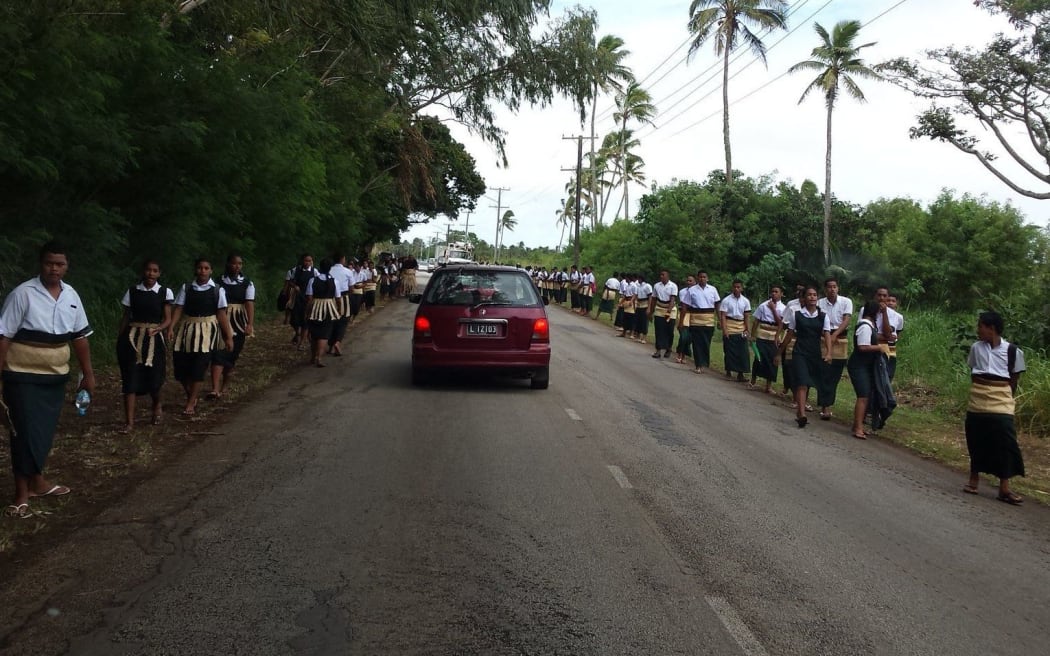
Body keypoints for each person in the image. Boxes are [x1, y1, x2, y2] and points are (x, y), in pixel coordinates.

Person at [1, 242, 95, 518]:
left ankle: (38, 482)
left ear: (67, 266)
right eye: (48, 263)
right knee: (23, 432)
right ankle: (21, 493)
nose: (54, 268)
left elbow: (79, 336)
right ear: (40, 265)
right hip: (21, 375)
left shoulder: (71, 295)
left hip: (55, 376)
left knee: (43, 431)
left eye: (59, 264)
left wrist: (87, 374)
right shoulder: (23, 294)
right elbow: (4, 336)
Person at [963, 311, 1026, 505]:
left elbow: (1013, 381)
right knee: (976, 437)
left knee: (1005, 441)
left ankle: (1004, 487)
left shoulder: (1013, 351)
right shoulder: (976, 348)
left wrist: (1002, 395)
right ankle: (974, 480)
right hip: (978, 400)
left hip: (1002, 401)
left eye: (980, 326)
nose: (978, 330)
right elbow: (974, 373)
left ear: (991, 328)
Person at [169, 258, 234, 416]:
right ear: (195, 269)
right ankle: (191, 393)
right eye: (200, 268)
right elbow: (179, 308)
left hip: (207, 332)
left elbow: (221, 314)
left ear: (211, 270)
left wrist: (228, 336)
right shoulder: (187, 288)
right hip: (187, 329)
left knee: (200, 365)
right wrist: (171, 327)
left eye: (206, 268)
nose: (202, 271)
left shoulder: (217, 290)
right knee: (181, 367)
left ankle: (191, 401)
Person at [116, 258, 173, 431]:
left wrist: (159, 329)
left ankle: (157, 406)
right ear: (143, 271)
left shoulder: (164, 292)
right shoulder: (133, 291)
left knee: (154, 378)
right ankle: (129, 422)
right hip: (133, 338)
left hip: (153, 339)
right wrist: (120, 338)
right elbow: (126, 316)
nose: (151, 273)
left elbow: (167, 318)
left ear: (159, 273)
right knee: (130, 377)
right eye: (148, 270)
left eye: (155, 271)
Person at [781, 286, 831, 428]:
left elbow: (826, 334)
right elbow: (789, 335)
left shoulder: (823, 316)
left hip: (814, 354)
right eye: (809, 295)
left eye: (815, 295)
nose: (812, 297)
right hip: (800, 352)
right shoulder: (796, 315)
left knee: (810, 383)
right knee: (802, 382)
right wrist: (780, 352)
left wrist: (828, 352)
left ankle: (801, 410)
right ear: (804, 298)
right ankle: (802, 413)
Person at [209, 253, 255, 398]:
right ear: (228, 264)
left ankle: (224, 386)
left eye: (240, 264)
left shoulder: (247, 283)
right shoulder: (217, 282)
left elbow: (249, 303)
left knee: (232, 354)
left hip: (238, 321)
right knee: (218, 353)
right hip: (220, 318)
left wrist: (249, 324)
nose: (237, 266)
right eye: (234, 263)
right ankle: (215, 388)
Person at [847, 301, 887, 440]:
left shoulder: (869, 326)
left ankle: (857, 425)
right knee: (863, 396)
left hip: (864, 365)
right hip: (859, 365)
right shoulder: (865, 326)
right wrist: (879, 348)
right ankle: (858, 427)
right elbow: (863, 347)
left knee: (865, 395)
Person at [817, 278, 853, 421]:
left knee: (835, 375)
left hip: (840, 339)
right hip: (823, 338)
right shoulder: (820, 303)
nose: (832, 289)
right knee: (824, 373)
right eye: (829, 287)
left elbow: (846, 320)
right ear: (825, 289)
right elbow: (818, 320)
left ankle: (829, 403)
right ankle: (825, 406)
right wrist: (827, 336)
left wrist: (835, 334)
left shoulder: (846, 302)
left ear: (838, 288)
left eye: (835, 286)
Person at [305, 258, 342, 367]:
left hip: (315, 307)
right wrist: (339, 310)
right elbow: (338, 298)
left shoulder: (313, 280)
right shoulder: (334, 281)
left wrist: (307, 312)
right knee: (324, 334)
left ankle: (312, 356)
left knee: (314, 334)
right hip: (329, 307)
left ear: (320, 267)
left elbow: (309, 298)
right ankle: (319, 357)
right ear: (330, 268)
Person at [748, 285, 785, 394]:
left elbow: (781, 323)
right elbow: (756, 321)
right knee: (759, 358)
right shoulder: (763, 305)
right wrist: (753, 335)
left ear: (781, 294)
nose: (774, 293)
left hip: (775, 335)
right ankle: (753, 381)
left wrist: (773, 309)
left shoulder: (783, 308)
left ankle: (768, 386)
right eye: (772, 291)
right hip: (763, 333)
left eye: (776, 291)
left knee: (772, 360)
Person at [684, 271, 720, 374]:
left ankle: (704, 363)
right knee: (697, 343)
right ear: (697, 278)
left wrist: (719, 320)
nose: (702, 279)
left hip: (708, 320)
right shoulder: (692, 290)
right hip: (696, 320)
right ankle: (698, 365)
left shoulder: (713, 289)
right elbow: (685, 306)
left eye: (704, 277)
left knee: (706, 343)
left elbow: (717, 305)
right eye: (700, 277)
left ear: (707, 278)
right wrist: (682, 321)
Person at [719, 279, 752, 382]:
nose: (736, 289)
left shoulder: (745, 301)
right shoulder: (726, 300)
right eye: (735, 287)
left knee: (742, 351)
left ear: (742, 288)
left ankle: (740, 374)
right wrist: (725, 330)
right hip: (730, 325)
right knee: (729, 351)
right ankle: (728, 372)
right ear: (732, 288)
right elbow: (723, 316)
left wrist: (747, 329)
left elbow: (747, 317)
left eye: (738, 287)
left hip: (741, 326)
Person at [284, 254, 315, 349]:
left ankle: (301, 343)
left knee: (306, 321)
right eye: (306, 261)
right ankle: (297, 333)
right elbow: (290, 281)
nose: (307, 263)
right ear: (302, 261)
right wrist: (294, 286)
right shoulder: (296, 270)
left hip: (308, 298)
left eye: (309, 261)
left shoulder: (315, 271)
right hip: (297, 298)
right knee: (294, 319)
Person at [875, 287, 905, 382]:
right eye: (889, 300)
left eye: (893, 301)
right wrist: (885, 337)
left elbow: (898, 332)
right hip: (875, 345)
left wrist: (891, 338)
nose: (890, 303)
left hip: (890, 348)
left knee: (888, 375)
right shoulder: (870, 310)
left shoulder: (898, 317)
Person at [649, 270, 678, 359]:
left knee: (669, 330)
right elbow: (654, 299)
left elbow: (673, 299)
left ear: (667, 276)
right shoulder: (657, 285)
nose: (661, 276)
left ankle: (668, 348)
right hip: (659, 308)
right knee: (659, 329)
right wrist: (651, 311)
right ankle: (658, 350)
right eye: (660, 275)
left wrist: (668, 311)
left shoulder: (673, 286)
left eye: (663, 275)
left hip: (670, 309)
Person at [328, 253, 353, 357]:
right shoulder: (348, 271)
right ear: (343, 259)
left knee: (330, 321)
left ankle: (330, 347)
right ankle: (337, 342)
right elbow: (351, 287)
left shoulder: (329, 270)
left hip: (329, 299)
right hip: (343, 297)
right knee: (343, 321)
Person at [674, 275, 695, 364]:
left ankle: (683, 355)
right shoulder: (682, 292)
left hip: (693, 315)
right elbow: (683, 304)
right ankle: (679, 353)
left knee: (689, 337)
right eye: (687, 281)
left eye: (690, 281)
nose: (688, 282)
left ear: (694, 282)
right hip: (683, 314)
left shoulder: (697, 291)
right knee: (683, 336)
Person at [634, 274, 652, 343]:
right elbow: (636, 295)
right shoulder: (638, 286)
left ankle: (644, 337)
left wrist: (649, 307)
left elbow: (650, 297)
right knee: (639, 320)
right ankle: (638, 336)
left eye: (638, 279)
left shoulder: (647, 286)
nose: (638, 280)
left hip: (645, 304)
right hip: (639, 304)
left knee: (644, 321)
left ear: (641, 279)